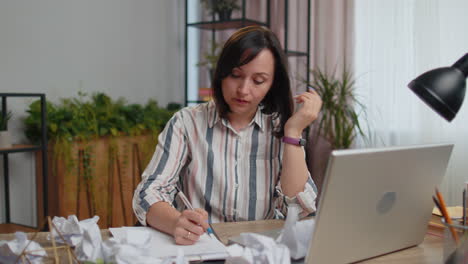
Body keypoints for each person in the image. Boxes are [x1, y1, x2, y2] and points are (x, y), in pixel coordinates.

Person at [133, 25, 322, 245]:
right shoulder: (186, 122)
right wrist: (177, 222)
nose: (243, 90)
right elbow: (147, 193)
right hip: (201, 248)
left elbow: (299, 211)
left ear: (272, 84)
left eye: (258, 81)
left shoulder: (281, 128)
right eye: (235, 75)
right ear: (222, 74)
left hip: (260, 252)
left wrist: (293, 133)